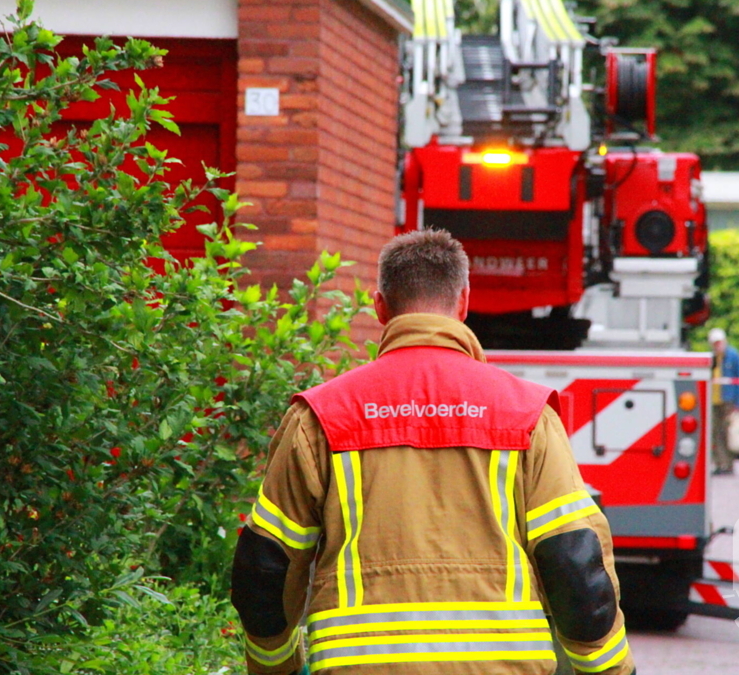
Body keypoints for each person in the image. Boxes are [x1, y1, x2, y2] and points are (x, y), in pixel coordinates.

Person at [230, 229, 635, 675]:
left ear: (380, 307)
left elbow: (265, 569)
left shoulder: (322, 416)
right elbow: (573, 561)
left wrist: (276, 668)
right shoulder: (527, 415)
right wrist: (609, 671)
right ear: (463, 303)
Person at [709, 327, 739, 475]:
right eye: (715, 343)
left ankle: (728, 464)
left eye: (719, 342)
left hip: (727, 400)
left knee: (726, 433)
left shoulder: (733, 356)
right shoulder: (711, 358)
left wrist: (738, 403)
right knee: (715, 433)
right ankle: (718, 463)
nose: (717, 346)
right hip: (714, 400)